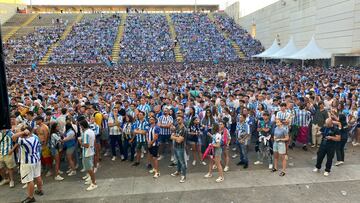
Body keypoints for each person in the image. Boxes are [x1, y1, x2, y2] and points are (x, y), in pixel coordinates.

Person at [12, 126, 43, 203]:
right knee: (38, 176)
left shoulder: (23, 141)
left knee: (29, 181)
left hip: (27, 163)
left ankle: (31, 197)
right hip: (36, 160)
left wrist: (22, 132)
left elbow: (13, 137)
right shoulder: (35, 138)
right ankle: (40, 190)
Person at [78, 119, 97, 191]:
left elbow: (86, 145)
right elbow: (94, 141)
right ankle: (91, 180)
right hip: (91, 151)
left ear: (82, 126)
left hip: (87, 153)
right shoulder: (91, 131)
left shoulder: (86, 133)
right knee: (90, 167)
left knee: (89, 169)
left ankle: (94, 183)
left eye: (80, 126)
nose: (80, 127)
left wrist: (80, 142)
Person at [170, 116, 187, 183]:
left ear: (182, 120)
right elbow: (171, 136)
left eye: (179, 119)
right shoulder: (177, 127)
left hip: (180, 147)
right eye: (177, 119)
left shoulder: (184, 129)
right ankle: (178, 171)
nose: (178, 121)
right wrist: (176, 138)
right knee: (178, 160)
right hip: (175, 146)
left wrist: (175, 137)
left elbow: (180, 140)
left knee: (182, 162)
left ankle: (183, 175)